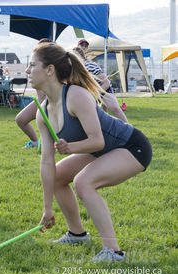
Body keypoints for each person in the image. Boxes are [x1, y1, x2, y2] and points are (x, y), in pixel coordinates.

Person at [26, 42, 152, 262]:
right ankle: (77, 234)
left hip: (132, 146)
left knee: (84, 182)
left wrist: (70, 148)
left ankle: (113, 252)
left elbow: (97, 140)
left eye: (32, 65)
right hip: (103, 150)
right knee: (57, 174)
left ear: (49, 70)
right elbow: (46, 161)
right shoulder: (42, 112)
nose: (27, 71)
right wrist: (47, 208)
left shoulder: (76, 96)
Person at [73, 44, 128, 123]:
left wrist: (95, 94)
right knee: (96, 115)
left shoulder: (90, 66)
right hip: (91, 91)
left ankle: (129, 128)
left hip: (104, 88)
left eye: (76, 55)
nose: (75, 58)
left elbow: (106, 83)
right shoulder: (75, 70)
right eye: (73, 56)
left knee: (115, 109)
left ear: (82, 56)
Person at [15, 38, 52, 148]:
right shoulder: (35, 65)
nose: (27, 71)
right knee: (20, 119)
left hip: (57, 102)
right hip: (44, 101)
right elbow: (40, 98)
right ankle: (35, 142)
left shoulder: (55, 66)